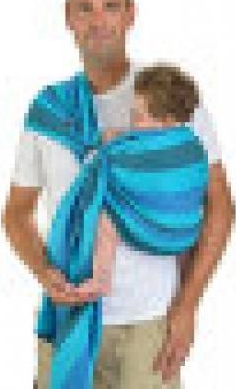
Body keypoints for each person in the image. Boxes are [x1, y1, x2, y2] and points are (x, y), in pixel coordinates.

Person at [1, 0, 236, 389]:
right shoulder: (49, 110)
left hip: (149, 325)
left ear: (131, 15)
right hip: (68, 317)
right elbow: (16, 213)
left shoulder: (168, 97)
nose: (98, 21)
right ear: (67, 18)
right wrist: (45, 273)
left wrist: (188, 305)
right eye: (84, 8)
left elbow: (219, 205)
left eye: (111, 6)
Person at [74, 63, 205, 300]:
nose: (133, 122)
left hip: (157, 232)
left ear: (167, 120)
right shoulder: (192, 143)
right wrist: (119, 135)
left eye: (138, 116)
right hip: (185, 235)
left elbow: (119, 161)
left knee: (106, 217)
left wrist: (105, 147)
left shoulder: (154, 147)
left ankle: (101, 279)